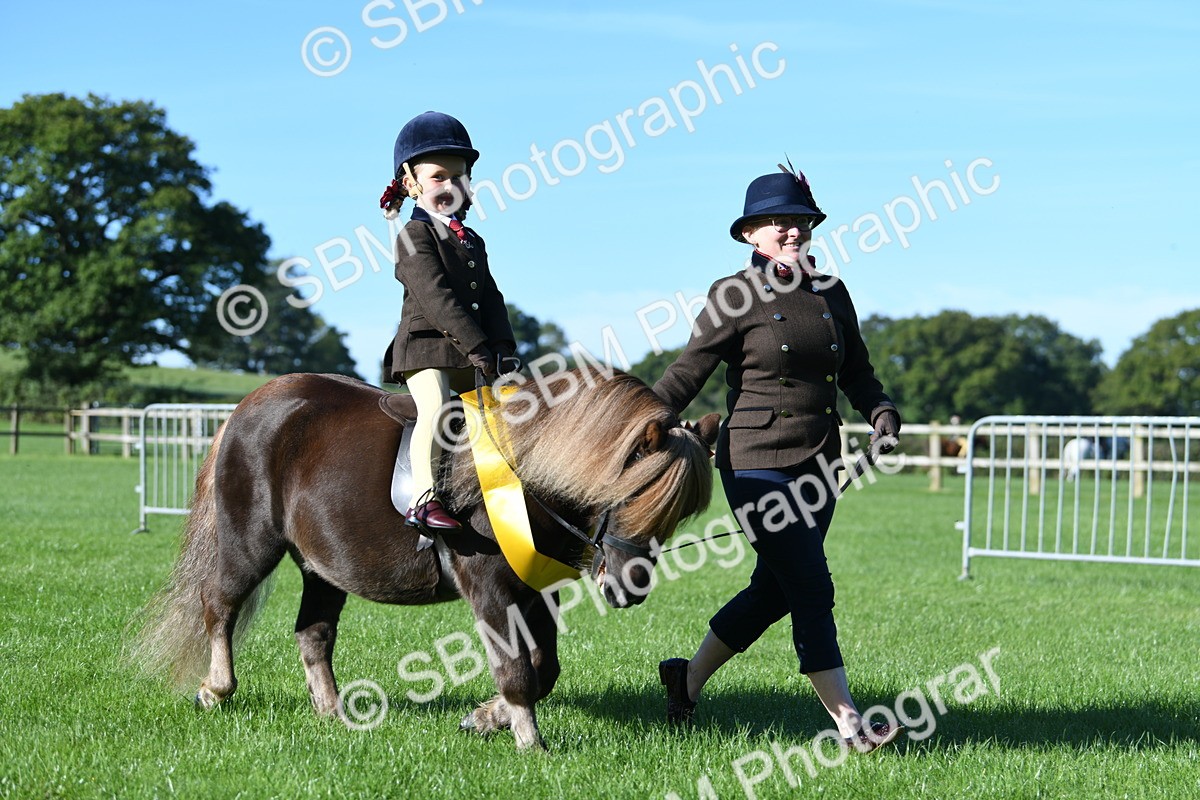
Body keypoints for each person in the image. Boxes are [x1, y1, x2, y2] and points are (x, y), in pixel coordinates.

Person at [652, 166, 904, 752]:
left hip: (820, 463)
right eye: (778, 222)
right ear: (750, 235)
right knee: (812, 587)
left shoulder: (831, 292)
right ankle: (849, 725)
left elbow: (858, 373)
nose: (792, 231)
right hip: (753, 461)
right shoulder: (732, 295)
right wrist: (644, 420)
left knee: (776, 589)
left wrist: (882, 412)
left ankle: (685, 681)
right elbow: (689, 370)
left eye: (799, 221)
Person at [380, 111, 517, 532]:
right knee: (437, 407)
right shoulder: (412, 237)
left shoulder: (473, 240)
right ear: (411, 184)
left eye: (460, 177)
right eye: (439, 177)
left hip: (473, 352)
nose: (451, 186)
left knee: (511, 410)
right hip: (426, 350)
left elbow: (491, 299)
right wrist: (479, 349)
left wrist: (506, 351)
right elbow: (438, 300)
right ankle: (422, 500)